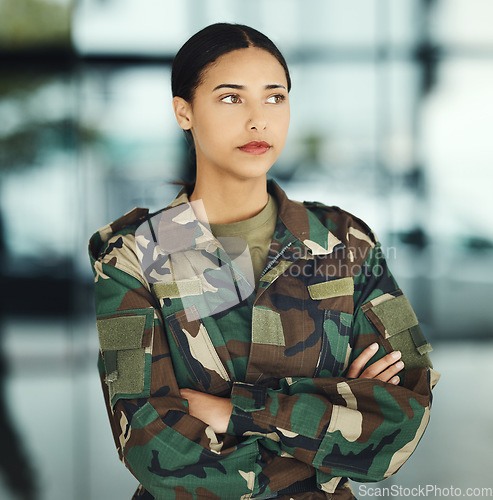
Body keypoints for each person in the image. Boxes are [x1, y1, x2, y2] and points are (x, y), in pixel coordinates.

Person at [88, 22, 439, 500]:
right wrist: (329, 419)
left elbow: (403, 418)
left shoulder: (343, 241)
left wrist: (236, 413)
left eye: (275, 97)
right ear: (184, 112)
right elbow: (156, 449)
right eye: (231, 98)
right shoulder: (139, 253)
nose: (258, 120)